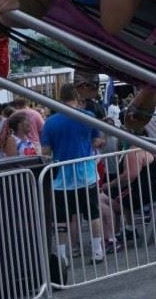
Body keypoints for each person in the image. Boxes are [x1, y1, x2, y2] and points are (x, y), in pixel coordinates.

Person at [41, 83, 108, 265]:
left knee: (62, 219)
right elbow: (97, 141)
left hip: (61, 177)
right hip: (86, 172)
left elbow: (45, 151)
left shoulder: (50, 122)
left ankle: (63, 257)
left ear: (60, 98)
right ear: (77, 97)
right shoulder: (87, 117)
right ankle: (97, 251)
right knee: (93, 214)